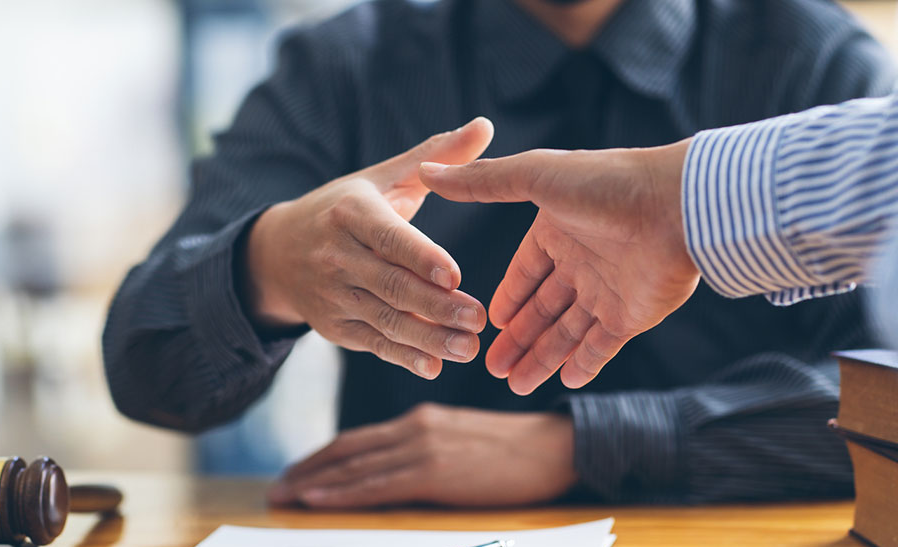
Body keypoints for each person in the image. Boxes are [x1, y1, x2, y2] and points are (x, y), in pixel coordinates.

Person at [103, 0, 895, 507]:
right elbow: (145, 365)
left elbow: (883, 402)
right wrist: (271, 262)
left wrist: (580, 444)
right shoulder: (345, 64)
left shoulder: (815, 59)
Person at [419, 91, 898, 393]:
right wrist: (674, 199)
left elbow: (875, 385)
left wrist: (583, 445)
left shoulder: (819, 56)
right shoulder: (378, 54)